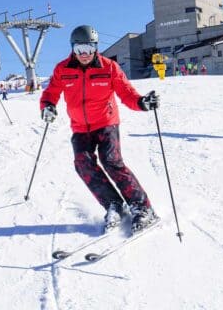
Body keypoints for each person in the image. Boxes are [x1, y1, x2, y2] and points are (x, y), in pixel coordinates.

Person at [40, 25, 160, 235]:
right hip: (80, 127)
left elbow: (127, 93)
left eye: (88, 48)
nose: (84, 54)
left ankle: (143, 208)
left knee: (111, 160)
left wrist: (142, 103)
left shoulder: (109, 67)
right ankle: (114, 204)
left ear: (95, 47)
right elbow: (51, 93)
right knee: (82, 163)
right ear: (72, 49)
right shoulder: (62, 69)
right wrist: (47, 106)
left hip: (106, 123)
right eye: (79, 49)